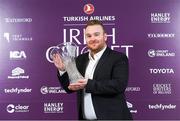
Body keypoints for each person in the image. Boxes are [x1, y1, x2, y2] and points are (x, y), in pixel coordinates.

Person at [52, 20, 132, 120]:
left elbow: (118, 85)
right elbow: (69, 88)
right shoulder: (80, 59)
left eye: (96, 35)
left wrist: (88, 84)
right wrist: (62, 70)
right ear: (85, 38)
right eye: (89, 36)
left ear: (105, 37)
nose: (92, 39)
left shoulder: (118, 58)